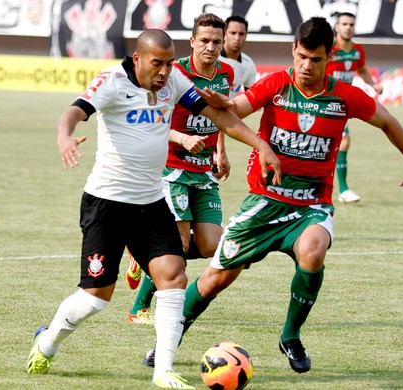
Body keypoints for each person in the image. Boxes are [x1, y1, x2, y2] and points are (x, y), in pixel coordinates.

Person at [142, 16, 403, 374]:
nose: (306, 66)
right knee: (217, 279)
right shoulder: (275, 85)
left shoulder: (344, 97)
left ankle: (290, 336)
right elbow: (237, 109)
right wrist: (220, 103)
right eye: (301, 56)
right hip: (264, 202)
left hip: (311, 205)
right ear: (293, 50)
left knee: (313, 250)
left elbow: (388, 121)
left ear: (329, 57)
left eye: (316, 59)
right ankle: (170, 336)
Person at [25, 29, 281, 389]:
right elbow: (72, 112)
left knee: (174, 277)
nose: (164, 72)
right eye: (157, 64)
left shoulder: (174, 80)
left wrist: (261, 145)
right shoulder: (112, 82)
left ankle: (163, 371)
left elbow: (221, 118)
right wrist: (64, 136)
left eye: (169, 63)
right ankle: (47, 342)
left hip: (151, 202)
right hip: (107, 204)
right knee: (96, 299)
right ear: (138, 60)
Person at [126, 13, 234, 325]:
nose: (211, 47)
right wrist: (182, 138)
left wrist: (221, 151)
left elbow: (221, 114)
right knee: (179, 245)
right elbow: (151, 119)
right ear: (192, 42)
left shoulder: (226, 73)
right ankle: (139, 307)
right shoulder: (175, 73)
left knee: (212, 245)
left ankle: (143, 254)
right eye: (204, 41)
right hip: (172, 168)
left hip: (205, 172)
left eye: (216, 41)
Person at [326, 12, 383, 203]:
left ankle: (340, 190)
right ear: (337, 27)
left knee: (338, 142)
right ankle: (342, 190)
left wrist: (373, 84)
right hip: (326, 101)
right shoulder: (329, 49)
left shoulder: (358, 50)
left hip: (344, 103)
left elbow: (362, 70)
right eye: (344, 24)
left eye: (351, 24)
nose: (348, 27)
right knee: (342, 141)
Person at [218, 15, 257, 98]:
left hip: (228, 110)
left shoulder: (248, 64)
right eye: (233, 33)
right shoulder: (212, 57)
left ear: (246, 36)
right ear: (224, 34)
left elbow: (251, 98)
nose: (237, 38)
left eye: (241, 34)